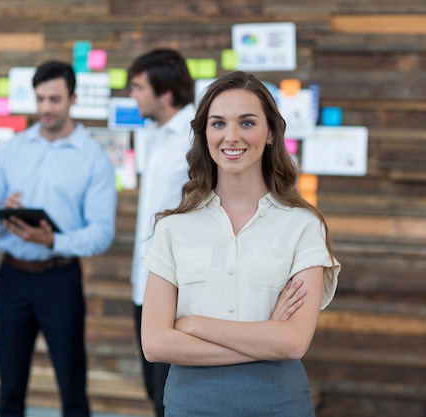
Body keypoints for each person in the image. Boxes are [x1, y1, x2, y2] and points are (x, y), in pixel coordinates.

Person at [141, 71, 340, 417]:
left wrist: (194, 325)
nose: (231, 137)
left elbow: (293, 341)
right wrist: (265, 340)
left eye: (247, 123)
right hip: (192, 404)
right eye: (218, 124)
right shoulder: (173, 228)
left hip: (278, 404)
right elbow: (156, 344)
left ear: (271, 135)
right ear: (205, 135)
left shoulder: (303, 226)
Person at [0, 61, 117, 417]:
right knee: (10, 388)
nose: (46, 108)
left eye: (54, 99)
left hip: (60, 279)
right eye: (40, 99)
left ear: (73, 98)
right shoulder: (12, 149)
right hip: (12, 279)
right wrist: (0, 211)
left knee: (72, 389)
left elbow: (101, 233)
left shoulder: (93, 158)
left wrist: (51, 241)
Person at [126, 48, 195, 417]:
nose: (132, 95)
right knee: (155, 393)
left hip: (176, 291)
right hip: (143, 285)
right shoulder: (154, 136)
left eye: (138, 87)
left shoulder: (194, 140)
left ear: (165, 92)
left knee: (173, 398)